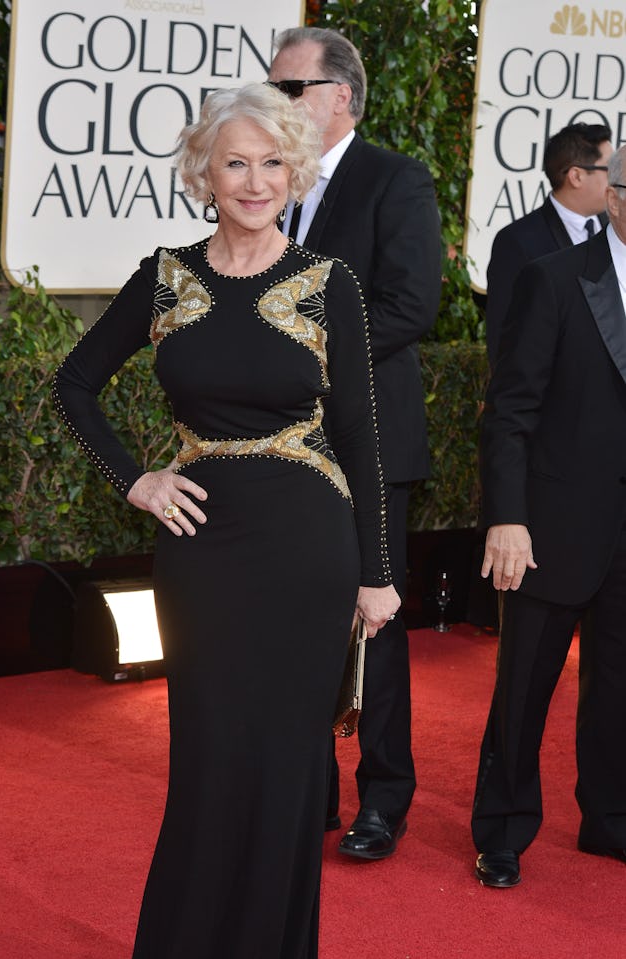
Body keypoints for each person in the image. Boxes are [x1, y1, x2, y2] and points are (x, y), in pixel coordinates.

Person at [53, 82, 400, 959]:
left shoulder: (330, 282)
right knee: (207, 758)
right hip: (202, 550)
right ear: (204, 173)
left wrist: (375, 573)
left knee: (289, 764)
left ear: (295, 175)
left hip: (306, 551)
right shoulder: (164, 276)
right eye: (235, 163)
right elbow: (75, 385)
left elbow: (363, 440)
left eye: (273, 164)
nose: (255, 181)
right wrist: (138, 482)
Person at [268, 27, 442, 860]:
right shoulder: (272, 185)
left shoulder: (394, 180)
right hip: (281, 439)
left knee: (376, 617)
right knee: (297, 614)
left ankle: (386, 799)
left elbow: (412, 305)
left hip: (369, 434)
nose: (278, 103)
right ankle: (312, 796)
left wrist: (302, 344)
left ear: (340, 95)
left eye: (290, 88)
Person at [472, 145, 626, 888]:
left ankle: (610, 819)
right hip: (553, 523)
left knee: (621, 686)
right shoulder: (554, 281)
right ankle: (502, 830)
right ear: (616, 197)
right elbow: (509, 411)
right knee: (525, 684)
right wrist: (508, 515)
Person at [485, 122, 613, 368]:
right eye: (611, 170)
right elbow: (505, 343)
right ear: (576, 176)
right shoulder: (517, 242)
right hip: (555, 400)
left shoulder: (618, 230)